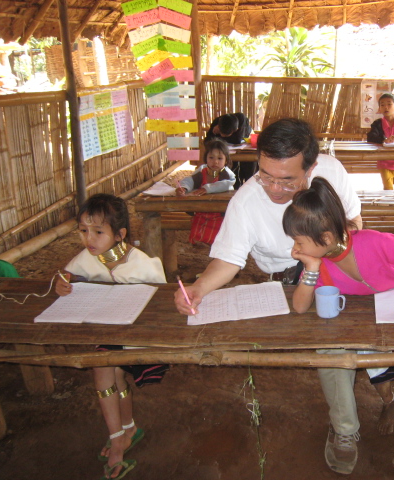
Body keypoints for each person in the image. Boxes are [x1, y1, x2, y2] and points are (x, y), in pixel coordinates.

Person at [174, 118, 364, 475]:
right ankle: (346, 424)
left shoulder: (333, 173)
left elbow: (354, 222)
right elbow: (228, 260)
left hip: (335, 265)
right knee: (331, 338)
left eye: (287, 180)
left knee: (333, 340)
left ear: (311, 167)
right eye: (265, 175)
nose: (274, 189)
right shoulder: (247, 200)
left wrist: (329, 256)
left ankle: (344, 428)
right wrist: (199, 288)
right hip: (286, 281)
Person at [283, 177, 394, 437]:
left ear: (325, 237)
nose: (294, 249)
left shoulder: (372, 242)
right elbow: (299, 307)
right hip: (367, 317)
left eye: (299, 241)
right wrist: (311, 267)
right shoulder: (322, 264)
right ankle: (389, 400)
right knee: (373, 362)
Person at [55, 193, 167, 480]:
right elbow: (67, 274)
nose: (88, 239)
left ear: (120, 235)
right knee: (110, 371)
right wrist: (62, 283)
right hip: (107, 331)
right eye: (83, 230)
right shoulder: (87, 258)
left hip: (138, 337)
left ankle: (119, 438)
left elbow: (162, 302)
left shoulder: (142, 264)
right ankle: (125, 431)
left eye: (98, 232)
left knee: (106, 369)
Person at [176, 139, 236, 245]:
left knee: (219, 228)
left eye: (220, 158)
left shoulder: (227, 175)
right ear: (206, 158)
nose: (215, 162)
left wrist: (206, 189)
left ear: (226, 160)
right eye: (211, 157)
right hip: (201, 210)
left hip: (221, 212)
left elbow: (226, 184)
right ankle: (199, 242)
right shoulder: (202, 171)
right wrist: (184, 188)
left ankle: (213, 244)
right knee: (197, 222)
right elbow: (190, 180)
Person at [205, 112, 254, 189]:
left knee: (249, 165)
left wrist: (219, 137)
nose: (222, 135)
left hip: (245, 149)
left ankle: (249, 187)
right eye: (221, 133)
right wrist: (214, 134)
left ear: (236, 130)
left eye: (226, 135)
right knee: (230, 165)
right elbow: (207, 141)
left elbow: (238, 139)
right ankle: (233, 186)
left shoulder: (242, 120)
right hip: (228, 152)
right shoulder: (217, 122)